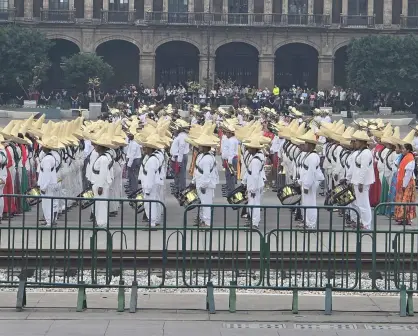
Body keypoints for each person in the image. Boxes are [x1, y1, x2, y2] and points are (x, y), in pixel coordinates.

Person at [190, 134, 219, 228]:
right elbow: (197, 169)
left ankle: (207, 223)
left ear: (205, 147)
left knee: (206, 204)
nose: (199, 147)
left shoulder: (207, 158)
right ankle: (202, 220)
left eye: (201, 145)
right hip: (200, 182)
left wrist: (204, 185)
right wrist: (193, 181)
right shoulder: (202, 156)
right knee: (202, 203)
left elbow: (206, 174)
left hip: (205, 185)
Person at [297, 130, 324, 229]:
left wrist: (307, 185)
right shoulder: (308, 155)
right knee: (306, 203)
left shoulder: (313, 156)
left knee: (310, 203)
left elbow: (311, 172)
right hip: (306, 181)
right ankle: (307, 222)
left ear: (311, 145)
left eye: (306, 144)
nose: (304, 145)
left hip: (311, 182)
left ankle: (311, 224)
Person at [350, 130, 375, 230]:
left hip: (363, 182)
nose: (355, 143)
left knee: (364, 204)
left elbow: (364, 169)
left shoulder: (366, 153)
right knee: (360, 204)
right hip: (357, 181)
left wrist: (360, 182)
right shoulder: (359, 152)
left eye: (357, 141)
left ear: (363, 142)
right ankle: (363, 222)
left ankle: (367, 225)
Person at [90, 128, 115, 228]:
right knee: (98, 204)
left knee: (101, 205)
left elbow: (103, 173)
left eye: (96, 145)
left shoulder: (104, 158)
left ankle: (102, 223)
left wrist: (100, 186)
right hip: (97, 182)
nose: (94, 147)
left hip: (100, 184)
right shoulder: (102, 156)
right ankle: (99, 221)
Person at [242, 137, 266, 228]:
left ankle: (255, 223)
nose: (248, 149)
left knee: (255, 205)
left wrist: (253, 189)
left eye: (250, 148)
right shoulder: (254, 158)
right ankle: (253, 221)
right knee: (252, 204)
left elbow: (255, 176)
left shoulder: (255, 160)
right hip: (252, 184)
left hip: (254, 185)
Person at [37, 135, 61, 227]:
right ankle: (49, 221)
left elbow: (46, 174)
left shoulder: (47, 159)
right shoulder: (50, 157)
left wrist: (43, 186)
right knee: (49, 203)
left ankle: (49, 222)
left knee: (47, 204)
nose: (42, 147)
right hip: (51, 183)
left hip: (47, 185)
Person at [394, 131, 416, 225]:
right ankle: (402, 218)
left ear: (408, 150)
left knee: (406, 200)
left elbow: (408, 173)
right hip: (404, 181)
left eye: (403, 149)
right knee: (402, 199)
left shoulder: (410, 158)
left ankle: (406, 218)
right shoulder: (406, 157)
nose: (402, 150)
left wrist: (404, 185)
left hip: (407, 183)